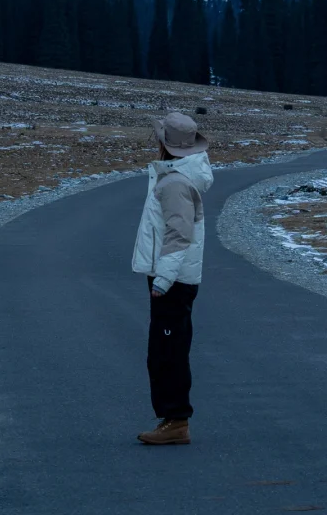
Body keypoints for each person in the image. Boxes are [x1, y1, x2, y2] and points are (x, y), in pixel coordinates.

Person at [132, 109, 214, 446]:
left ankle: (176, 421)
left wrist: (162, 281)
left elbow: (179, 235)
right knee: (168, 348)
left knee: (167, 351)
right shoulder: (178, 176)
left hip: (173, 281)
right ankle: (173, 419)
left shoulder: (175, 183)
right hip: (175, 278)